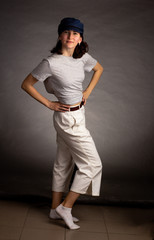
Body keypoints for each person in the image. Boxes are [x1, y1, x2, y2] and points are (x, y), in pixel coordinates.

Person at [21, 17, 103, 230]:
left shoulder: (82, 57)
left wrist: (87, 92)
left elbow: (99, 69)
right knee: (92, 165)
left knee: (63, 163)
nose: (70, 36)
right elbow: (26, 84)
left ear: (80, 38)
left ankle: (54, 208)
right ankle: (65, 208)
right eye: (66, 32)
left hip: (79, 114)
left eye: (75, 33)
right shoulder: (51, 62)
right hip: (67, 119)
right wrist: (48, 103)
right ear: (59, 35)